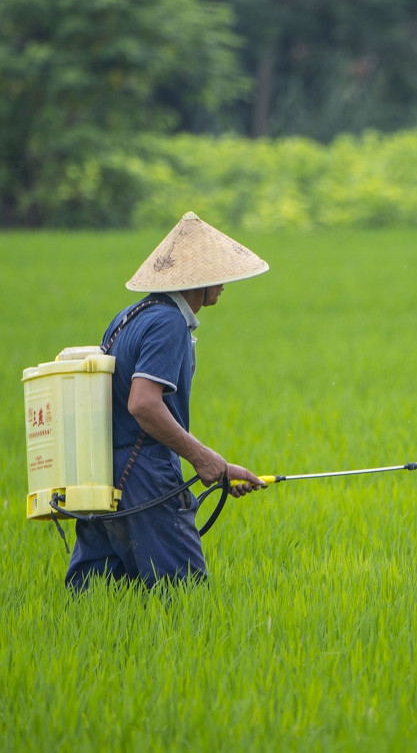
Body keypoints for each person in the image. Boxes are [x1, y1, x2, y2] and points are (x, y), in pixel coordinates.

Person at [66, 212, 268, 591]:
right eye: (219, 274)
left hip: (99, 467)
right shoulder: (169, 322)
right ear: (198, 279)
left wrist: (224, 469)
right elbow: (143, 404)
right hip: (143, 468)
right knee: (182, 593)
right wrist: (203, 458)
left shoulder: (129, 317)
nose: (224, 283)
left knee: (100, 595)